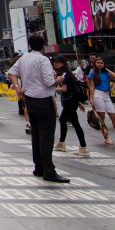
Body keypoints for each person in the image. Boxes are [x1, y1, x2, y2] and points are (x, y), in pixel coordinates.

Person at [8, 35, 69, 184]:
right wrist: (59, 80)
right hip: (43, 100)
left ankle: (39, 167)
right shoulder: (43, 60)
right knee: (46, 136)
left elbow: (11, 73)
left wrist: (18, 88)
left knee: (36, 135)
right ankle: (49, 171)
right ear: (43, 46)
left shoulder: (23, 59)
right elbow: (49, 82)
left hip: (30, 101)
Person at [86, 58, 115, 147]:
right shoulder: (92, 73)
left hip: (107, 95)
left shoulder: (106, 73)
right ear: (94, 64)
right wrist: (91, 98)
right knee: (101, 117)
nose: (99, 64)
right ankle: (106, 138)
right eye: (98, 63)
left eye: (101, 63)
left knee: (114, 117)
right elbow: (91, 87)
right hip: (98, 94)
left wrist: (106, 69)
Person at [52, 56, 89, 157]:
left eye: (57, 62)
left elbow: (64, 89)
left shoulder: (64, 74)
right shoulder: (68, 73)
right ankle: (61, 143)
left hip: (69, 102)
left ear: (62, 63)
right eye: (54, 62)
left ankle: (83, 147)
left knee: (75, 123)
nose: (55, 64)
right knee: (63, 120)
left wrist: (52, 89)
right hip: (71, 101)